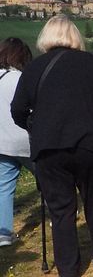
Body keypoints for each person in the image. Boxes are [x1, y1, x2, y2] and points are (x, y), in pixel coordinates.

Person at [10, 15, 93, 277]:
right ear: (75, 37)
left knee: (61, 210)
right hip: (91, 144)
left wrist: (35, 128)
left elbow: (17, 110)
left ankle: (68, 271)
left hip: (49, 148)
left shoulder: (33, 69)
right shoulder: (92, 63)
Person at [0, 37, 34, 247]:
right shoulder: (22, 78)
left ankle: (4, 232)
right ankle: (58, 213)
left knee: (4, 187)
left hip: (2, 142)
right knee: (48, 178)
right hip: (26, 140)